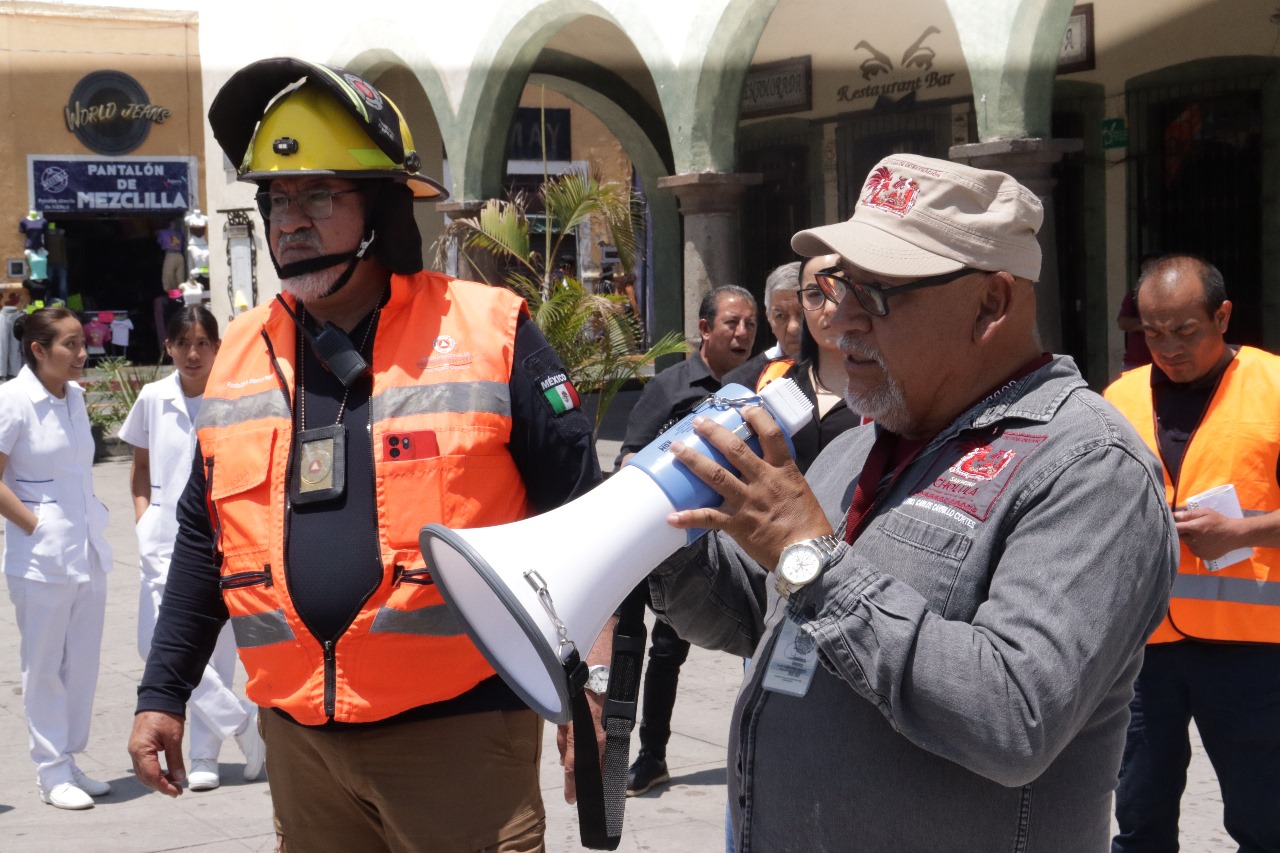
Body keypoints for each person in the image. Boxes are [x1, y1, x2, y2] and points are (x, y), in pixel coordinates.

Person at [635, 154, 1177, 850]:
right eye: (839, 287)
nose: (841, 322)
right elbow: (755, 613)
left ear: (992, 302)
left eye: (879, 293)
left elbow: (1013, 716)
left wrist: (812, 561)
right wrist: (662, 535)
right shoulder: (861, 444)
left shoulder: (1090, 467)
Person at [126, 58, 601, 852]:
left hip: (459, 739)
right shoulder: (239, 351)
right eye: (277, 198)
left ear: (382, 206)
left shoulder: (490, 330)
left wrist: (593, 683)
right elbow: (205, 538)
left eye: (319, 194)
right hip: (301, 747)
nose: (290, 220)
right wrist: (161, 691)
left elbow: (584, 513)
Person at [1105, 255, 1280, 853]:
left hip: (1252, 649)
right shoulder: (1118, 398)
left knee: (1264, 821)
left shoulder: (1273, 388)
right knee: (1139, 819)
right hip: (1144, 646)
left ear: (1222, 317)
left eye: (1185, 331)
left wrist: (1241, 532)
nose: (1169, 348)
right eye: (1154, 333)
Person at [615, 284, 758, 796]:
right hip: (651, 541)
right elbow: (629, 454)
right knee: (633, 645)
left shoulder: (756, 390)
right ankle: (625, 753)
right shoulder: (670, 386)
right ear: (704, 329)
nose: (742, 333)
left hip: (713, 549)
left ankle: (656, 755)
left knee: (670, 649)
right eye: (731, 323)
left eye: (750, 324)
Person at [119, 306, 265, 793]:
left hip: (218, 533)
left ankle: (205, 755)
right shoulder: (152, 397)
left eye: (203, 343)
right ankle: (243, 723)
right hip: (162, 536)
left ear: (218, 347)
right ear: (169, 347)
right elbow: (140, 469)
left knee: (216, 648)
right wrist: (143, 519)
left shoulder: (234, 395)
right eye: (183, 343)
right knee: (154, 643)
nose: (193, 353)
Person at [0, 306, 113, 810]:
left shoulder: (75, 399)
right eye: (70, 344)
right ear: (38, 350)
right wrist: (35, 526)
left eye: (83, 342)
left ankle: (68, 758)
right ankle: (50, 772)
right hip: (40, 559)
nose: (82, 352)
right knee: (44, 666)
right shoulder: (12, 401)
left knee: (81, 663)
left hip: (87, 549)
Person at [724, 263, 801, 388]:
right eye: (780, 316)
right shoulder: (740, 384)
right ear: (769, 318)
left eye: (802, 314)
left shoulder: (836, 368)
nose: (793, 328)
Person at [1116, 251, 1162, 372]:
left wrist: (1139, 326)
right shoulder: (1133, 295)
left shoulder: (1174, 297)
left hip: (1165, 363)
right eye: (1145, 269)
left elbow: (1170, 324)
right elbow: (1123, 323)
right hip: (1134, 364)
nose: (1148, 273)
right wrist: (1151, 326)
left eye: (1152, 269)